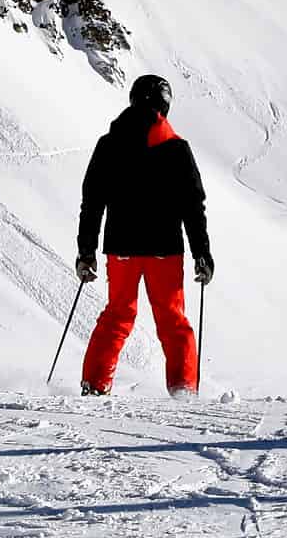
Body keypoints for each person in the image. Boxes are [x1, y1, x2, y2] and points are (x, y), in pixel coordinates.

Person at [75, 74, 213, 396]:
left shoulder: (109, 144)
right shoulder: (177, 149)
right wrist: (201, 254)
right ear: (165, 105)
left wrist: (86, 251)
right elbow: (193, 205)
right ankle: (183, 391)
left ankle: (95, 384)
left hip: (121, 247)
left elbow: (92, 201)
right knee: (172, 320)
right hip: (164, 249)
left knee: (117, 315)